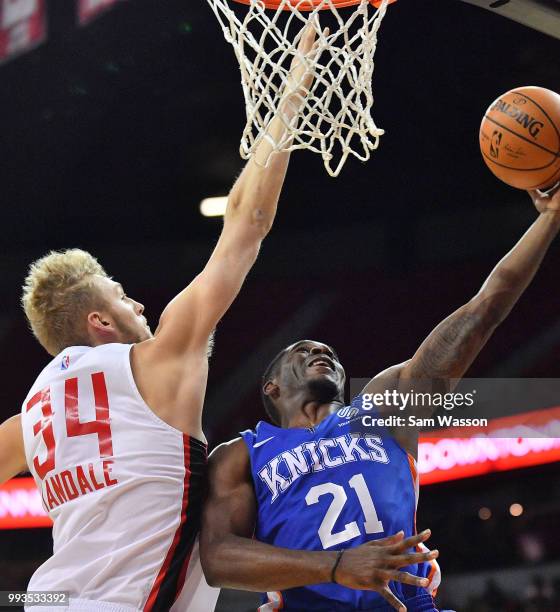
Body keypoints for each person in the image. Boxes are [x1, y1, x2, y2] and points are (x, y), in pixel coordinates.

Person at [0, 25, 328, 612]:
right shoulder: (160, 357)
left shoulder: (31, 417)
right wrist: (295, 87)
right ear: (99, 320)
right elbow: (245, 226)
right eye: (125, 299)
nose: (141, 307)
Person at [200, 134, 560, 612]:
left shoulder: (383, 407)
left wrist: (550, 220)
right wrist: (336, 566)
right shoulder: (241, 453)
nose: (321, 351)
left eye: (328, 351)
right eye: (303, 349)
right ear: (271, 385)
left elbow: (480, 313)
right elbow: (218, 557)